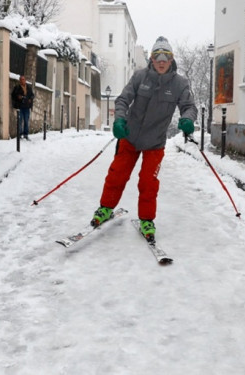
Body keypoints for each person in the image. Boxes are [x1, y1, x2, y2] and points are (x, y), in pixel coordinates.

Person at [90, 36, 197, 240]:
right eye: (157, 55)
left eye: (166, 56)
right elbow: (123, 99)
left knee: (148, 182)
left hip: (155, 143)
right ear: (152, 58)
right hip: (130, 137)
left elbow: (189, 107)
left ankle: (147, 219)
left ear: (172, 59)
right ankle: (105, 208)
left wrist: (187, 119)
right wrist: (120, 120)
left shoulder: (180, 84)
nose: (162, 60)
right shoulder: (140, 77)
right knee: (117, 174)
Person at [10, 75, 34, 139]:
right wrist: (18, 97)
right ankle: (19, 134)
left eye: (23, 79)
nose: (22, 81)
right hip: (20, 106)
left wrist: (30, 99)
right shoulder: (17, 87)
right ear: (19, 80)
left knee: (26, 121)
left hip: (27, 107)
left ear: (25, 80)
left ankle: (26, 134)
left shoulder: (28, 87)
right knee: (20, 121)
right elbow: (13, 95)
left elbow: (32, 95)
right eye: (21, 79)